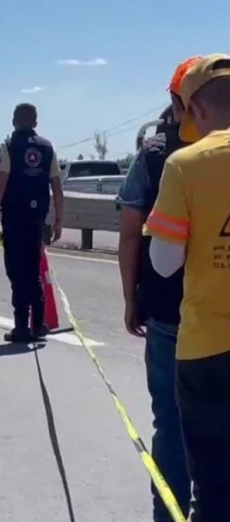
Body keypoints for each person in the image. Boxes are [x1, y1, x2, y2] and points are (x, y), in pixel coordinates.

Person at [116, 57, 201, 522]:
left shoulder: (153, 152)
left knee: (169, 423)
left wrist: (132, 298)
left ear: (175, 100)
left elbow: (131, 230)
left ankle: (168, 515)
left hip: (168, 308)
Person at [147, 53, 230, 522]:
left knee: (215, 488)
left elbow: (163, 263)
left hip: (207, 351)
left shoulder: (185, 164)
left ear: (194, 110)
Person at [0, 103, 64, 343]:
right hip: (38, 218)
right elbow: (57, 188)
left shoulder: (8, 146)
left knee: (18, 273)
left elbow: (0, 186)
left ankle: (21, 327)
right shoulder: (48, 148)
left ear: (13, 122)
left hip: (15, 219)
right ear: (36, 122)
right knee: (33, 271)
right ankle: (38, 325)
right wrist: (59, 220)